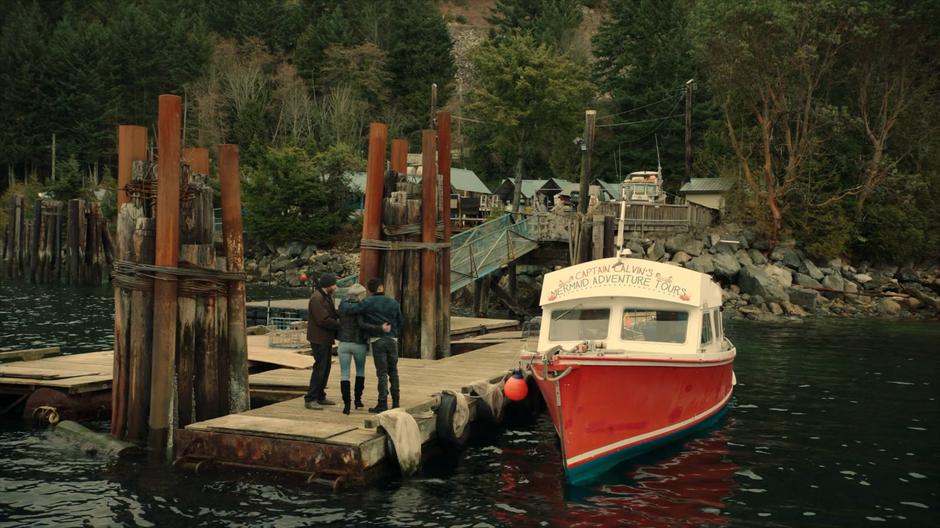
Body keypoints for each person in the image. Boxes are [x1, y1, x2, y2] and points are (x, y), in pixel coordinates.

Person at [339, 277, 402, 413]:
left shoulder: (367, 302)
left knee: (382, 373)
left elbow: (349, 310)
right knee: (394, 371)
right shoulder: (394, 303)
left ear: (370, 290)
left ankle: (382, 403)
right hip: (392, 339)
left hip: (377, 340)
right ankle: (396, 402)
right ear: (381, 288)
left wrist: (344, 301)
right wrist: (394, 333)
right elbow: (400, 321)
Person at [304, 273, 339, 409]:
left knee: (326, 367)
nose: (336, 287)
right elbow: (323, 319)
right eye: (334, 284)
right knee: (320, 367)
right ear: (328, 285)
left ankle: (320, 395)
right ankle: (311, 398)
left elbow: (331, 313)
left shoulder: (325, 296)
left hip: (325, 338)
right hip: (319, 338)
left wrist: (341, 314)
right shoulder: (317, 298)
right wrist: (340, 324)